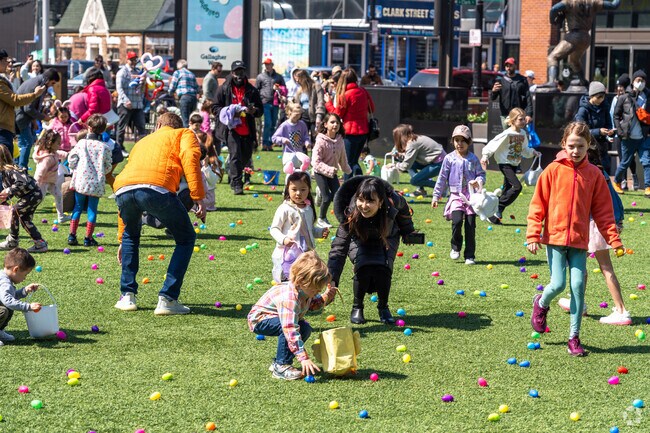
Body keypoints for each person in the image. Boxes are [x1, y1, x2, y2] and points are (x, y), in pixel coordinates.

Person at [527, 121, 624, 356]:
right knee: (558, 284)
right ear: (563, 144)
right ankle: (541, 302)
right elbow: (537, 204)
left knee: (578, 286)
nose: (575, 151)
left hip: (580, 241)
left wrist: (614, 240)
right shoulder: (552, 170)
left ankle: (574, 338)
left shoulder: (595, 175)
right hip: (555, 238)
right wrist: (533, 234)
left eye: (580, 146)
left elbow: (603, 212)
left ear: (588, 145)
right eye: (571, 145)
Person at [113, 112, 205, 315]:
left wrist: (121, 239)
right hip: (157, 188)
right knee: (186, 238)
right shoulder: (184, 133)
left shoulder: (142, 141)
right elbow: (191, 158)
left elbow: (130, 179)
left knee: (130, 235)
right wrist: (198, 196)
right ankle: (168, 298)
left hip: (122, 189)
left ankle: (127, 296)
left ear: (159, 125)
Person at [556, 146, 631, 325]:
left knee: (602, 267)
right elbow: (615, 200)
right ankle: (578, 303)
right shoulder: (601, 172)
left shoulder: (591, 174)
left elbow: (602, 201)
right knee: (583, 266)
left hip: (593, 225)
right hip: (596, 225)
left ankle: (621, 310)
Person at [328, 176, 415, 324]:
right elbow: (339, 248)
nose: (364, 205)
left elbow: (404, 209)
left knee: (384, 267)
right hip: (359, 239)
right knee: (363, 266)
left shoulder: (393, 201)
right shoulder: (349, 214)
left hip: (387, 237)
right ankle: (357, 307)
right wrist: (332, 279)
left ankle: (383, 307)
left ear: (380, 202)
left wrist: (408, 231)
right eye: (361, 200)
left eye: (370, 201)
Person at [248, 251, 337, 380]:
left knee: (304, 328)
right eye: (315, 289)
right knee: (290, 330)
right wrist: (303, 357)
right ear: (301, 281)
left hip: (277, 319)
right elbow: (289, 328)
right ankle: (281, 366)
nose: (317, 291)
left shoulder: (305, 291)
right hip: (260, 319)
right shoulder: (289, 298)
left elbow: (312, 305)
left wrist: (326, 297)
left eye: (319, 289)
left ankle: (279, 362)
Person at [431, 125, 486, 265]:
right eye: (456, 140)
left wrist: (478, 182)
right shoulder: (449, 159)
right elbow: (442, 177)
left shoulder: (473, 159)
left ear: (468, 142)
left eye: (463, 140)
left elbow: (481, 174)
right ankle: (455, 247)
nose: (459, 143)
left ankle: (469, 256)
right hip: (456, 196)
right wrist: (436, 196)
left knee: (470, 226)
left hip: (471, 198)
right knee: (456, 222)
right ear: (453, 141)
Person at [481, 108, 540, 224]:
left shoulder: (523, 134)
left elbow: (524, 149)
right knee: (517, 187)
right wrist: (485, 156)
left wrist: (533, 152)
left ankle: (493, 216)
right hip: (504, 164)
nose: (524, 121)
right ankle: (497, 205)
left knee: (507, 190)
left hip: (514, 164)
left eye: (524, 119)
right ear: (512, 120)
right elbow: (492, 144)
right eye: (520, 119)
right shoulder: (507, 133)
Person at [211, 60, 263, 195]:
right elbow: (215, 108)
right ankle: (236, 184)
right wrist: (230, 112)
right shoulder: (224, 88)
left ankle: (234, 175)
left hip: (247, 129)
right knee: (235, 155)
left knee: (245, 157)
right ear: (232, 73)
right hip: (231, 130)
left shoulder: (251, 90)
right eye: (237, 72)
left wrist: (254, 111)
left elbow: (260, 110)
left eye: (242, 71)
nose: (239, 75)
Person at [270, 172, 328, 283]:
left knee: (304, 281)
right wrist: (284, 239)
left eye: (303, 189)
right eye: (294, 189)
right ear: (288, 189)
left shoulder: (308, 208)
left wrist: (320, 232)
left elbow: (309, 230)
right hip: (288, 252)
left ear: (309, 189)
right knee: (287, 280)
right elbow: (274, 229)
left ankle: (303, 300)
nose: (298, 193)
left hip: (305, 253)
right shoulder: (284, 208)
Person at [546, 0, 621, 85]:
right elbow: (614, 5)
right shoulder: (592, 2)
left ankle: (552, 83)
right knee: (574, 61)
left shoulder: (569, 1)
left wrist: (552, 21)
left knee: (553, 57)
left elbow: (554, 9)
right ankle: (583, 82)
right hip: (585, 37)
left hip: (574, 35)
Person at [67, 114, 112, 247]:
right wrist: (102, 171)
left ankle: (72, 236)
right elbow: (108, 166)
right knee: (92, 209)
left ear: (89, 127)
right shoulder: (105, 147)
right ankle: (88, 238)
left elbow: (72, 159)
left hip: (81, 181)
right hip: (96, 183)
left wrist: (75, 168)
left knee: (78, 207)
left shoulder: (82, 143)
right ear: (103, 130)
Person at [325, 68, 374, 180]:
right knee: (354, 161)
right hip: (364, 131)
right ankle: (361, 182)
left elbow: (337, 115)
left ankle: (348, 187)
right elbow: (372, 108)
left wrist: (328, 103)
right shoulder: (363, 91)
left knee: (348, 163)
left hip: (350, 132)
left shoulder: (345, 95)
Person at [0, 146, 48, 252]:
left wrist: (8, 190)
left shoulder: (10, 170)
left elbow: (22, 182)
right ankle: (40, 243)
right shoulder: (4, 173)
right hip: (31, 195)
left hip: (32, 195)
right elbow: (14, 188)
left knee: (14, 212)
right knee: (24, 219)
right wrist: (5, 198)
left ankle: (12, 240)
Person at [612, 70, 650, 198]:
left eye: (643, 80)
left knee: (646, 162)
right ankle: (616, 181)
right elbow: (616, 115)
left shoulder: (648, 97)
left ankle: (648, 187)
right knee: (625, 162)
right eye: (638, 80)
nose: (640, 83)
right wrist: (620, 130)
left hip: (644, 136)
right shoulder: (624, 97)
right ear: (633, 81)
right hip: (628, 136)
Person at [0, 49, 45, 155]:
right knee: (5, 165)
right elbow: (14, 100)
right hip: (2, 129)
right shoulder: (1, 82)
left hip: (4, 128)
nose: (8, 63)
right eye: (5, 60)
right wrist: (35, 95)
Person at [312, 113, 351, 228]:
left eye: (337, 122)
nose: (335, 125)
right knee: (327, 197)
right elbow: (315, 162)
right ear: (325, 124)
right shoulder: (320, 140)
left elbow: (342, 158)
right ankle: (321, 218)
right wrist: (329, 169)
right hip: (319, 171)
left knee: (337, 196)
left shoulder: (340, 140)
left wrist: (347, 170)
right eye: (332, 122)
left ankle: (344, 219)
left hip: (332, 172)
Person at [15, 68, 60, 168]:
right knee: (27, 143)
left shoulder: (41, 84)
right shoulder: (36, 85)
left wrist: (35, 120)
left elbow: (34, 105)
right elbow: (28, 108)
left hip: (26, 117)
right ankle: (22, 169)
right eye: (52, 83)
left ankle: (18, 167)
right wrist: (44, 117)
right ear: (48, 79)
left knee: (23, 143)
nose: (51, 86)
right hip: (21, 117)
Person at [0, 248, 41, 346]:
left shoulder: (3, 276)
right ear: (16, 269)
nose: (25, 278)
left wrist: (24, 291)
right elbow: (8, 301)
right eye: (25, 275)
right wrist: (29, 307)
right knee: (4, 310)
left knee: (8, 307)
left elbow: (10, 296)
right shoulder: (5, 283)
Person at [392, 124, 446, 197]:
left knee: (414, 181)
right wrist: (400, 156)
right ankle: (421, 190)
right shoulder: (414, 139)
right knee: (412, 166)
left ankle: (442, 187)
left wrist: (395, 166)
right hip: (434, 160)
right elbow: (411, 158)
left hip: (440, 163)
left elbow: (406, 166)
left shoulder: (412, 144)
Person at [573, 81, 615, 173]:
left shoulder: (605, 107)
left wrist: (609, 133)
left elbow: (608, 124)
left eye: (603, 97)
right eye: (599, 97)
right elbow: (581, 130)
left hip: (602, 145)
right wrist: (598, 131)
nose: (602, 99)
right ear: (591, 96)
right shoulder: (583, 110)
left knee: (605, 170)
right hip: (589, 146)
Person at [32, 129, 69, 223]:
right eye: (58, 143)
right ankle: (28, 215)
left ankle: (61, 217)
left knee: (59, 196)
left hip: (51, 182)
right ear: (50, 143)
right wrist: (36, 183)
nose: (59, 145)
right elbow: (40, 172)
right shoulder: (47, 158)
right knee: (38, 200)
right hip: (42, 183)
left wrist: (68, 154)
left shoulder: (53, 153)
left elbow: (60, 154)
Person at [609, 74, 638, 190]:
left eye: (621, 86)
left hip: (629, 133)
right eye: (618, 86)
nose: (619, 88)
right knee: (622, 158)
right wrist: (612, 131)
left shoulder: (630, 98)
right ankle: (623, 180)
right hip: (617, 133)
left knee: (629, 158)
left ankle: (634, 176)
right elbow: (612, 115)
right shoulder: (615, 99)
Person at [115, 51, 147, 156]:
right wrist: (125, 100)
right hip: (125, 105)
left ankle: (144, 148)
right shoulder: (122, 72)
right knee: (122, 127)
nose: (134, 61)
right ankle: (119, 149)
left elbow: (141, 89)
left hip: (137, 104)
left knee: (141, 127)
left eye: (135, 59)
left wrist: (144, 80)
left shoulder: (138, 72)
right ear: (127, 59)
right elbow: (119, 88)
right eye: (132, 59)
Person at [490, 58, 533, 126]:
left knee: (518, 135)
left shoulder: (522, 80)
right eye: (507, 66)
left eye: (510, 65)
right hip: (505, 115)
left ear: (515, 66)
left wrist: (529, 114)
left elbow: (528, 98)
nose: (508, 68)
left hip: (519, 115)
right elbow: (493, 98)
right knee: (507, 136)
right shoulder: (501, 80)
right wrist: (494, 91)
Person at [272, 102, 311, 175]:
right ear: (289, 112)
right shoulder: (284, 126)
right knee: (290, 171)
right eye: (295, 112)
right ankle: (289, 169)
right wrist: (283, 140)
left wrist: (307, 142)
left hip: (299, 153)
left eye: (299, 113)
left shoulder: (302, 124)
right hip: (288, 154)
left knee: (301, 174)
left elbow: (306, 136)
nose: (297, 115)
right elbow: (274, 138)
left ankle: (304, 168)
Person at [256, 58, 286, 151]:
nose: (267, 66)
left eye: (268, 64)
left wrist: (279, 89)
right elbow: (257, 89)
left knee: (273, 123)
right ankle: (265, 143)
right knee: (268, 123)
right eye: (265, 64)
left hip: (275, 103)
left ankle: (270, 143)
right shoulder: (260, 77)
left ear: (272, 65)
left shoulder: (278, 77)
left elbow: (284, 89)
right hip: (265, 102)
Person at [291, 69, 325, 137]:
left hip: (314, 116)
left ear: (304, 77)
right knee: (302, 139)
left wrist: (319, 117)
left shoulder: (316, 86)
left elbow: (320, 102)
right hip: (302, 117)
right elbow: (295, 103)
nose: (297, 81)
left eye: (298, 79)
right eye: (296, 79)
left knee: (315, 138)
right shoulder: (299, 90)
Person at [169, 59, 199, 128]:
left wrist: (170, 93)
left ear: (179, 66)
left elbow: (172, 86)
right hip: (193, 98)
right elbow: (197, 88)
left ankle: (185, 137)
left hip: (184, 98)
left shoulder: (178, 72)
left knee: (185, 120)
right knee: (191, 121)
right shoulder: (192, 74)